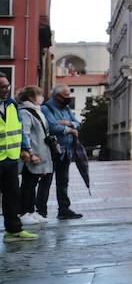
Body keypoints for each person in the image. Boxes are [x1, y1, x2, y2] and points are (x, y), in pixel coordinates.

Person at [1, 74, 37, 241]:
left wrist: (25, 148)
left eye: (7, 86)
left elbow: (19, 128)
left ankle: (13, 230)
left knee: (12, 196)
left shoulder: (12, 105)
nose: (5, 90)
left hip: (10, 159)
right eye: (1, 87)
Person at [39, 84, 83, 219]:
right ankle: (41, 211)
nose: (68, 98)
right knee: (46, 182)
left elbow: (78, 123)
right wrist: (69, 129)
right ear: (57, 96)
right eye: (66, 96)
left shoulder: (67, 108)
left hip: (66, 152)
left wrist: (67, 123)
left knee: (63, 182)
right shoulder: (46, 108)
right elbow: (52, 126)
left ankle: (64, 209)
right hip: (52, 152)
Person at [16, 86, 54, 222]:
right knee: (28, 184)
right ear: (31, 97)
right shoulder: (25, 112)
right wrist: (30, 153)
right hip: (32, 154)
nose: (41, 97)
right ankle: (24, 212)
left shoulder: (37, 111)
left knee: (32, 183)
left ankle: (31, 212)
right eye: (38, 94)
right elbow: (24, 133)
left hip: (41, 154)